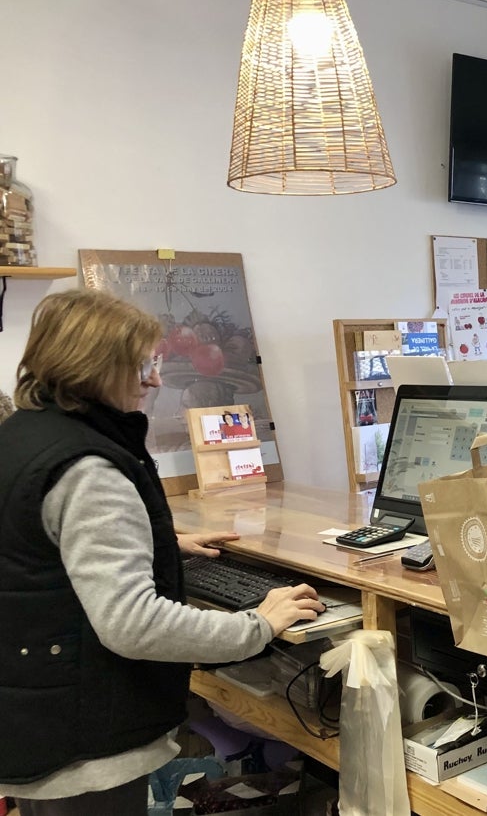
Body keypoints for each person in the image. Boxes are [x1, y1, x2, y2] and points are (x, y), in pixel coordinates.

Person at [0, 289, 325, 815]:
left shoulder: (26, 434)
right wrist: (257, 626)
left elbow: (36, 545)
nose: (154, 380)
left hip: (37, 706)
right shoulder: (88, 469)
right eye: (144, 365)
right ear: (95, 367)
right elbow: (132, 624)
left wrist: (157, 545)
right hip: (84, 741)